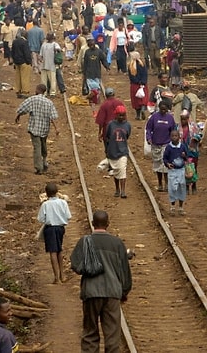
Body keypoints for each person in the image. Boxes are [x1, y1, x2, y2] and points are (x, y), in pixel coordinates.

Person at [72, 211, 132, 353]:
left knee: (90, 332)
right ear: (108, 224)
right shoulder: (117, 243)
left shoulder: (84, 241)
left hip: (91, 292)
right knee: (112, 334)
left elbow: (75, 264)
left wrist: (88, 268)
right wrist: (124, 291)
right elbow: (125, 271)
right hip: (112, 293)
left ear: (93, 224)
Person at [15, 84, 59, 174]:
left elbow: (22, 109)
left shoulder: (32, 99)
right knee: (43, 146)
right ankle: (44, 162)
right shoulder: (49, 102)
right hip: (44, 129)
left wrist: (18, 115)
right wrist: (56, 128)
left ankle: (39, 168)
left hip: (34, 129)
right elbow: (53, 117)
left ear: (37, 90)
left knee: (37, 148)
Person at [37, 183, 72, 284]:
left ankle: (56, 277)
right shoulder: (63, 202)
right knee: (59, 250)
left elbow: (41, 219)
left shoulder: (45, 204)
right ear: (57, 192)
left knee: (53, 252)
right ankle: (62, 275)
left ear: (46, 194)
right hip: (60, 228)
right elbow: (68, 216)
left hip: (50, 229)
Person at [146, 101, 177, 192]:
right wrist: (149, 138)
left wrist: (174, 141)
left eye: (165, 109)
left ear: (167, 109)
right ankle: (160, 183)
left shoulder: (170, 118)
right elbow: (148, 128)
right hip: (156, 144)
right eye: (161, 109)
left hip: (166, 144)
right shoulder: (154, 117)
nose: (163, 111)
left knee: (166, 165)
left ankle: (167, 184)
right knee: (158, 165)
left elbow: (173, 130)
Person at [104, 106, 132, 198]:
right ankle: (117, 189)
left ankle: (123, 191)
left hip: (123, 151)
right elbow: (107, 137)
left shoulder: (127, 125)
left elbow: (127, 136)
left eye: (123, 115)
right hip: (113, 151)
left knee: (122, 170)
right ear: (116, 115)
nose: (121, 117)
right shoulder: (111, 125)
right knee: (116, 171)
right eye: (119, 115)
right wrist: (107, 150)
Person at [163, 129, 188, 215]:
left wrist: (184, 157)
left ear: (179, 137)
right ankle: (172, 206)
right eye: (172, 136)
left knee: (182, 186)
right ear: (170, 137)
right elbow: (165, 158)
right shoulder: (169, 148)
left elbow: (187, 157)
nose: (174, 138)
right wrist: (167, 164)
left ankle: (181, 207)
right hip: (172, 170)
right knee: (172, 188)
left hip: (181, 170)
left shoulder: (182, 146)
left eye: (176, 136)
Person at [82, 36, 108, 108]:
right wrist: (84, 72)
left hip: (97, 72)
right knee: (91, 87)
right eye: (90, 44)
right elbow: (85, 63)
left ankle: (95, 98)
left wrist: (107, 66)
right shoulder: (87, 52)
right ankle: (92, 99)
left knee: (96, 86)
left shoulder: (99, 51)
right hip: (89, 72)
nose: (91, 45)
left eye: (92, 44)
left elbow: (103, 60)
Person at [10, 30, 33, 98]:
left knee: (18, 77)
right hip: (24, 62)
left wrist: (14, 61)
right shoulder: (25, 42)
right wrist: (29, 61)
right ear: (25, 35)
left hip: (17, 62)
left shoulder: (15, 41)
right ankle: (25, 92)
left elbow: (12, 52)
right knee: (25, 77)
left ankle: (18, 90)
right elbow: (27, 53)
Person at [128, 51, 149, 120]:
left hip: (135, 85)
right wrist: (143, 82)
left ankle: (138, 115)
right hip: (143, 85)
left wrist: (137, 82)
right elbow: (145, 74)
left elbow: (131, 77)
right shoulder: (142, 64)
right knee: (143, 98)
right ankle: (143, 108)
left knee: (136, 101)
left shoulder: (130, 66)